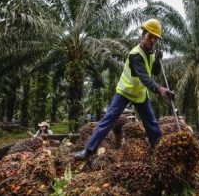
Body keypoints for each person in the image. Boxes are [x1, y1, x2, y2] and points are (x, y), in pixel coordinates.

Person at [74, 18, 175, 160]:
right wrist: (160, 90)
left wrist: (158, 60)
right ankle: (88, 150)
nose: (152, 40)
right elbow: (144, 77)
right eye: (150, 36)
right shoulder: (136, 55)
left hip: (139, 94)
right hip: (125, 92)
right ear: (143, 35)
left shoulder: (151, 53)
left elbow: (155, 72)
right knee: (109, 119)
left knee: (151, 123)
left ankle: (159, 151)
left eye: (155, 38)